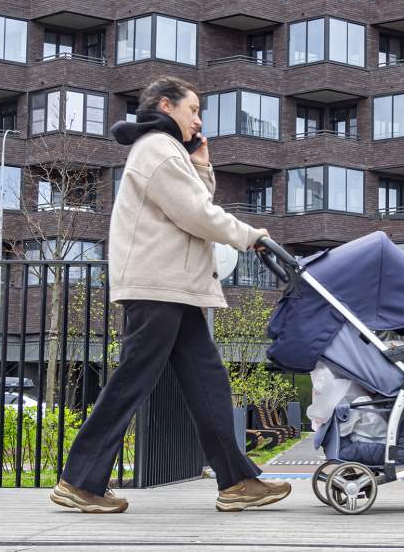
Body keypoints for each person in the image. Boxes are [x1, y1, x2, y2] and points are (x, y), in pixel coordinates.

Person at [50, 76, 291, 514]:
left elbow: (193, 202)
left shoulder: (168, 152)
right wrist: (248, 235)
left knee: (208, 381)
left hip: (174, 287)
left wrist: (200, 164)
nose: (198, 119)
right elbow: (196, 213)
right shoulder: (156, 149)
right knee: (133, 379)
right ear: (166, 105)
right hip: (158, 285)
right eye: (193, 109)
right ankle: (79, 481)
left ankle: (237, 481)